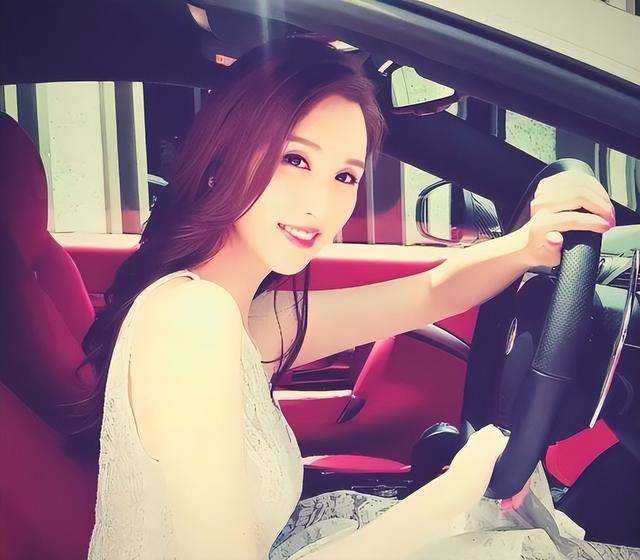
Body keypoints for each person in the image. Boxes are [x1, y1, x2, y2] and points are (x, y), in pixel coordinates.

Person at [70, 36, 638, 559]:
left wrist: (530, 244)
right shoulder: (190, 318)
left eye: (344, 176)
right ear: (224, 155)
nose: (320, 205)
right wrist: (456, 490)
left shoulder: (236, 313)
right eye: (295, 160)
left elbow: (426, 295)